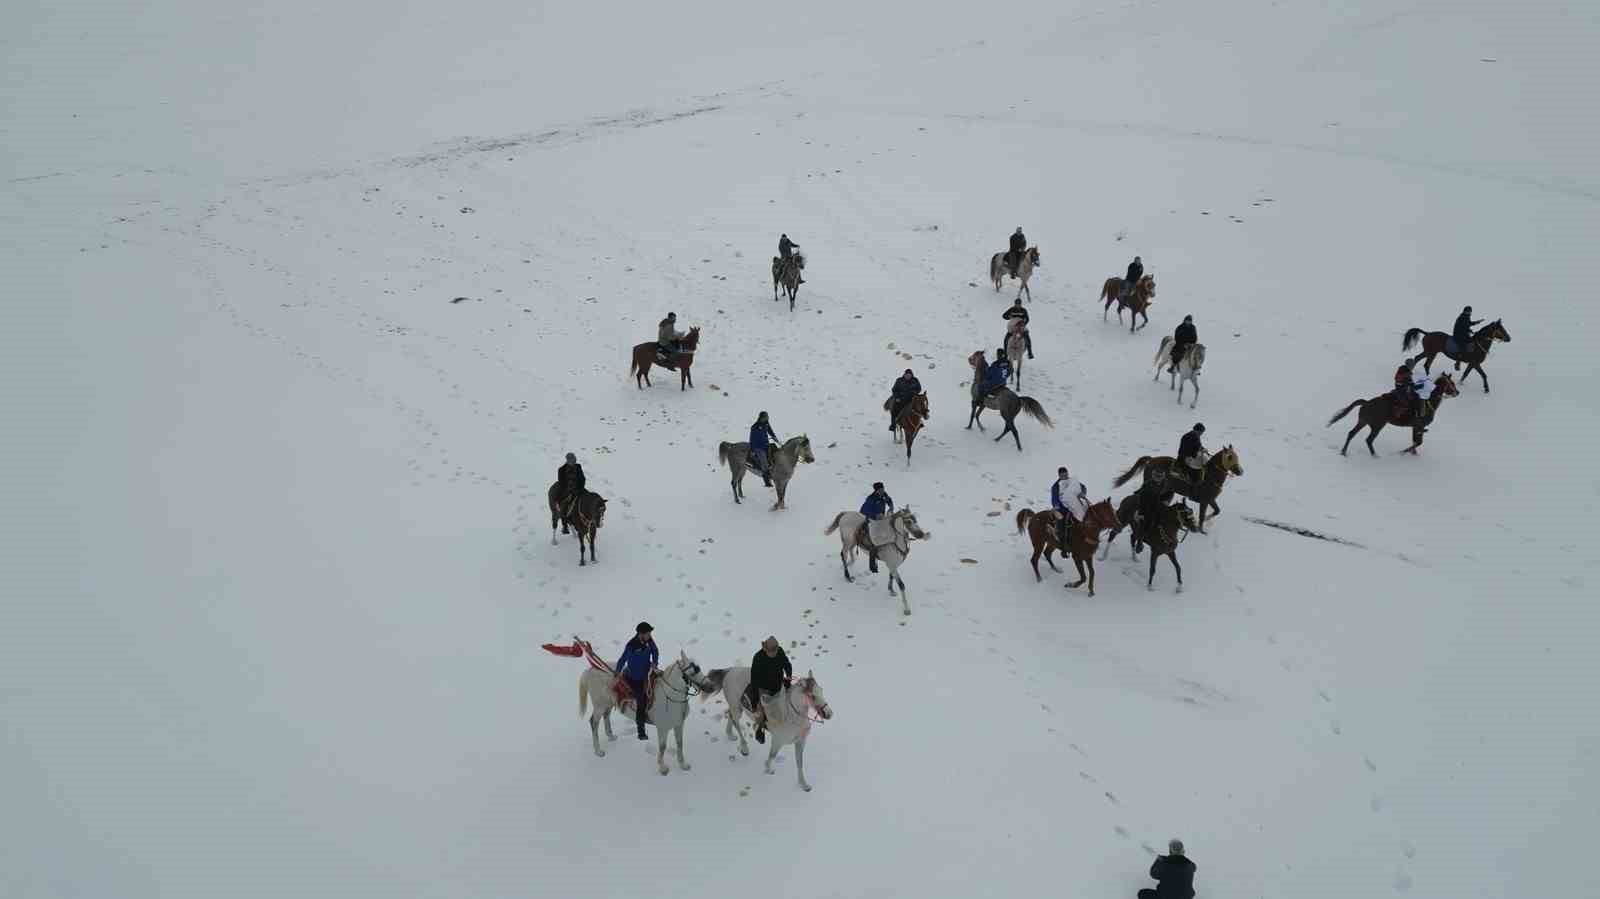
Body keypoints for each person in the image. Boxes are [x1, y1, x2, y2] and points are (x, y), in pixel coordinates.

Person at [615, 622, 659, 740]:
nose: (650, 635)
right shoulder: (631, 645)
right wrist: (617, 672)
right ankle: (641, 731)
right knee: (642, 701)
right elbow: (622, 659)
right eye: (648, 633)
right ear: (641, 634)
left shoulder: (649, 640)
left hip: (648, 673)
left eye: (650, 633)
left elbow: (655, 651)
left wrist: (655, 662)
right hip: (634, 678)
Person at [747, 636, 793, 744]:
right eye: (771, 651)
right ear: (765, 649)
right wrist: (755, 699)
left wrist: (788, 678)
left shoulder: (780, 652)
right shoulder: (758, 657)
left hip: (779, 684)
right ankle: (760, 729)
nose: (774, 653)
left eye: (775, 651)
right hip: (764, 688)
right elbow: (754, 678)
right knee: (762, 710)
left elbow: (787, 665)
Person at [1050, 466, 1088, 549]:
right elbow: (1054, 499)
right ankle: (1062, 542)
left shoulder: (1072, 482)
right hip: (1063, 509)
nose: (1065, 476)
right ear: (1059, 476)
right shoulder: (1056, 486)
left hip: (1076, 506)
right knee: (1062, 520)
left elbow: (1083, 487)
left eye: (1066, 474)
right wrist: (1058, 506)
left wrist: (1083, 493)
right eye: (1062, 475)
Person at [860, 482, 895, 568]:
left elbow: (889, 500)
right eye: (880, 490)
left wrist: (891, 507)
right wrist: (876, 516)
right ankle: (873, 563)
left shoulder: (884, 495)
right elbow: (865, 511)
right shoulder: (871, 498)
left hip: (881, 519)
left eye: (883, 489)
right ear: (876, 490)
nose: (882, 491)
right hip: (870, 519)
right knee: (874, 540)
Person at [749, 411, 780, 487]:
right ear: (761, 418)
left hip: (766, 444)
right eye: (766, 417)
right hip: (758, 447)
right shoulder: (755, 427)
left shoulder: (766, 423)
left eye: (767, 417)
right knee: (764, 463)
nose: (767, 419)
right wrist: (752, 450)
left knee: (776, 450)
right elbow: (752, 439)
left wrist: (774, 436)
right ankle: (767, 481)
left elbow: (769, 430)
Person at [555, 452, 585, 519]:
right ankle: (564, 520)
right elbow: (561, 482)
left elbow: (582, 479)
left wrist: (580, 488)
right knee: (564, 503)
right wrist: (569, 490)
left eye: (574, 459)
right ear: (568, 460)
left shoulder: (578, 467)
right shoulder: (561, 469)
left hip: (579, 489)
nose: (573, 461)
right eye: (572, 460)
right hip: (567, 490)